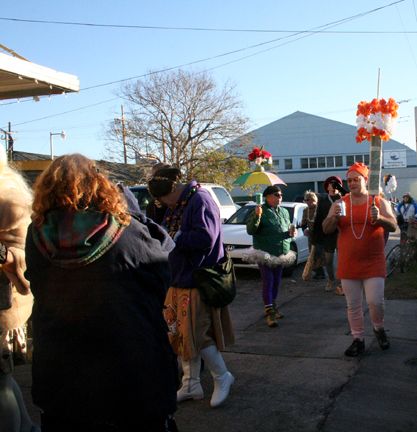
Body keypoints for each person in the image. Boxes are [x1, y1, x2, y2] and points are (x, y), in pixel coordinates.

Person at [24, 154, 179, 432]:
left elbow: (36, 284)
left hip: (61, 372)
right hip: (129, 369)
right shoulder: (126, 228)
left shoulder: (35, 234)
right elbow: (163, 269)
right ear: (99, 183)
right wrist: (135, 213)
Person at [147, 167, 235, 408]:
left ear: (174, 189)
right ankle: (190, 383)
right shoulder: (181, 203)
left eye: (164, 197)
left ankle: (222, 376)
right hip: (178, 278)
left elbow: (206, 238)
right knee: (179, 334)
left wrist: (175, 237)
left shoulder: (201, 200)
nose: (163, 202)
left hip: (196, 280)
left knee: (198, 334)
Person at [323, 162, 397, 357]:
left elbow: (393, 226)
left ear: (365, 180)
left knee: (375, 302)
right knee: (353, 304)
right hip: (348, 262)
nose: (352, 183)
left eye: (356, 179)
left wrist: (380, 218)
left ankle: (378, 328)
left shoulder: (378, 201)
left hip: (373, 261)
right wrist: (334, 218)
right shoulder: (340, 203)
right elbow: (326, 228)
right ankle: (358, 339)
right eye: (349, 180)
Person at [0, 145, 39, 432]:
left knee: (0, 381)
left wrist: (4, 254)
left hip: (7, 301)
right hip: (8, 300)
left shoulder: (6, 195)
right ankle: (26, 426)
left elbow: (22, 255)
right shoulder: (9, 189)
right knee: (3, 378)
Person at [245, 185, 296, 328]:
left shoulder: (284, 211)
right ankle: (270, 312)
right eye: (276, 194)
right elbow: (251, 230)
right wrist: (257, 215)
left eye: (281, 194)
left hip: (281, 253)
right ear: (267, 197)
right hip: (265, 253)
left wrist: (290, 234)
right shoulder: (259, 210)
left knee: (277, 282)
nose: (280, 197)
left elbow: (283, 232)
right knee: (268, 281)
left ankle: (273, 306)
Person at [312, 176, 347, 295]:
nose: (334, 184)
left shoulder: (344, 199)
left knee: (342, 260)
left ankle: (341, 284)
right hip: (328, 234)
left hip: (342, 233)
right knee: (328, 260)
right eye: (331, 183)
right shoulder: (323, 200)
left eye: (336, 183)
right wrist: (316, 237)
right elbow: (318, 219)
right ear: (327, 187)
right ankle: (331, 280)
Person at [301, 190, 325, 279]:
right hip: (311, 234)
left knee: (318, 253)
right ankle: (317, 271)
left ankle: (320, 271)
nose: (307, 202)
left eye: (308, 200)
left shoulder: (319, 209)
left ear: (313, 200)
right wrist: (304, 229)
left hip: (320, 234)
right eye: (305, 200)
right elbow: (303, 222)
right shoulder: (306, 211)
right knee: (312, 253)